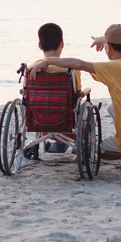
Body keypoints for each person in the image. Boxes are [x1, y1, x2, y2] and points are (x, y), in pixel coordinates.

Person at [30, 24, 121, 179]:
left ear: (109, 47)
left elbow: (80, 64)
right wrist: (104, 41)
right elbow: (81, 66)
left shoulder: (113, 68)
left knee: (92, 150)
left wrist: (48, 62)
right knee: (112, 107)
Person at [29, 23, 82, 154]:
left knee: (43, 102)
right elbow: (78, 92)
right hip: (66, 120)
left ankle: (58, 142)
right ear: (62, 44)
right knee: (82, 110)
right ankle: (71, 142)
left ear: (39, 45)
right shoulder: (71, 69)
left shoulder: (32, 69)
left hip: (39, 119)